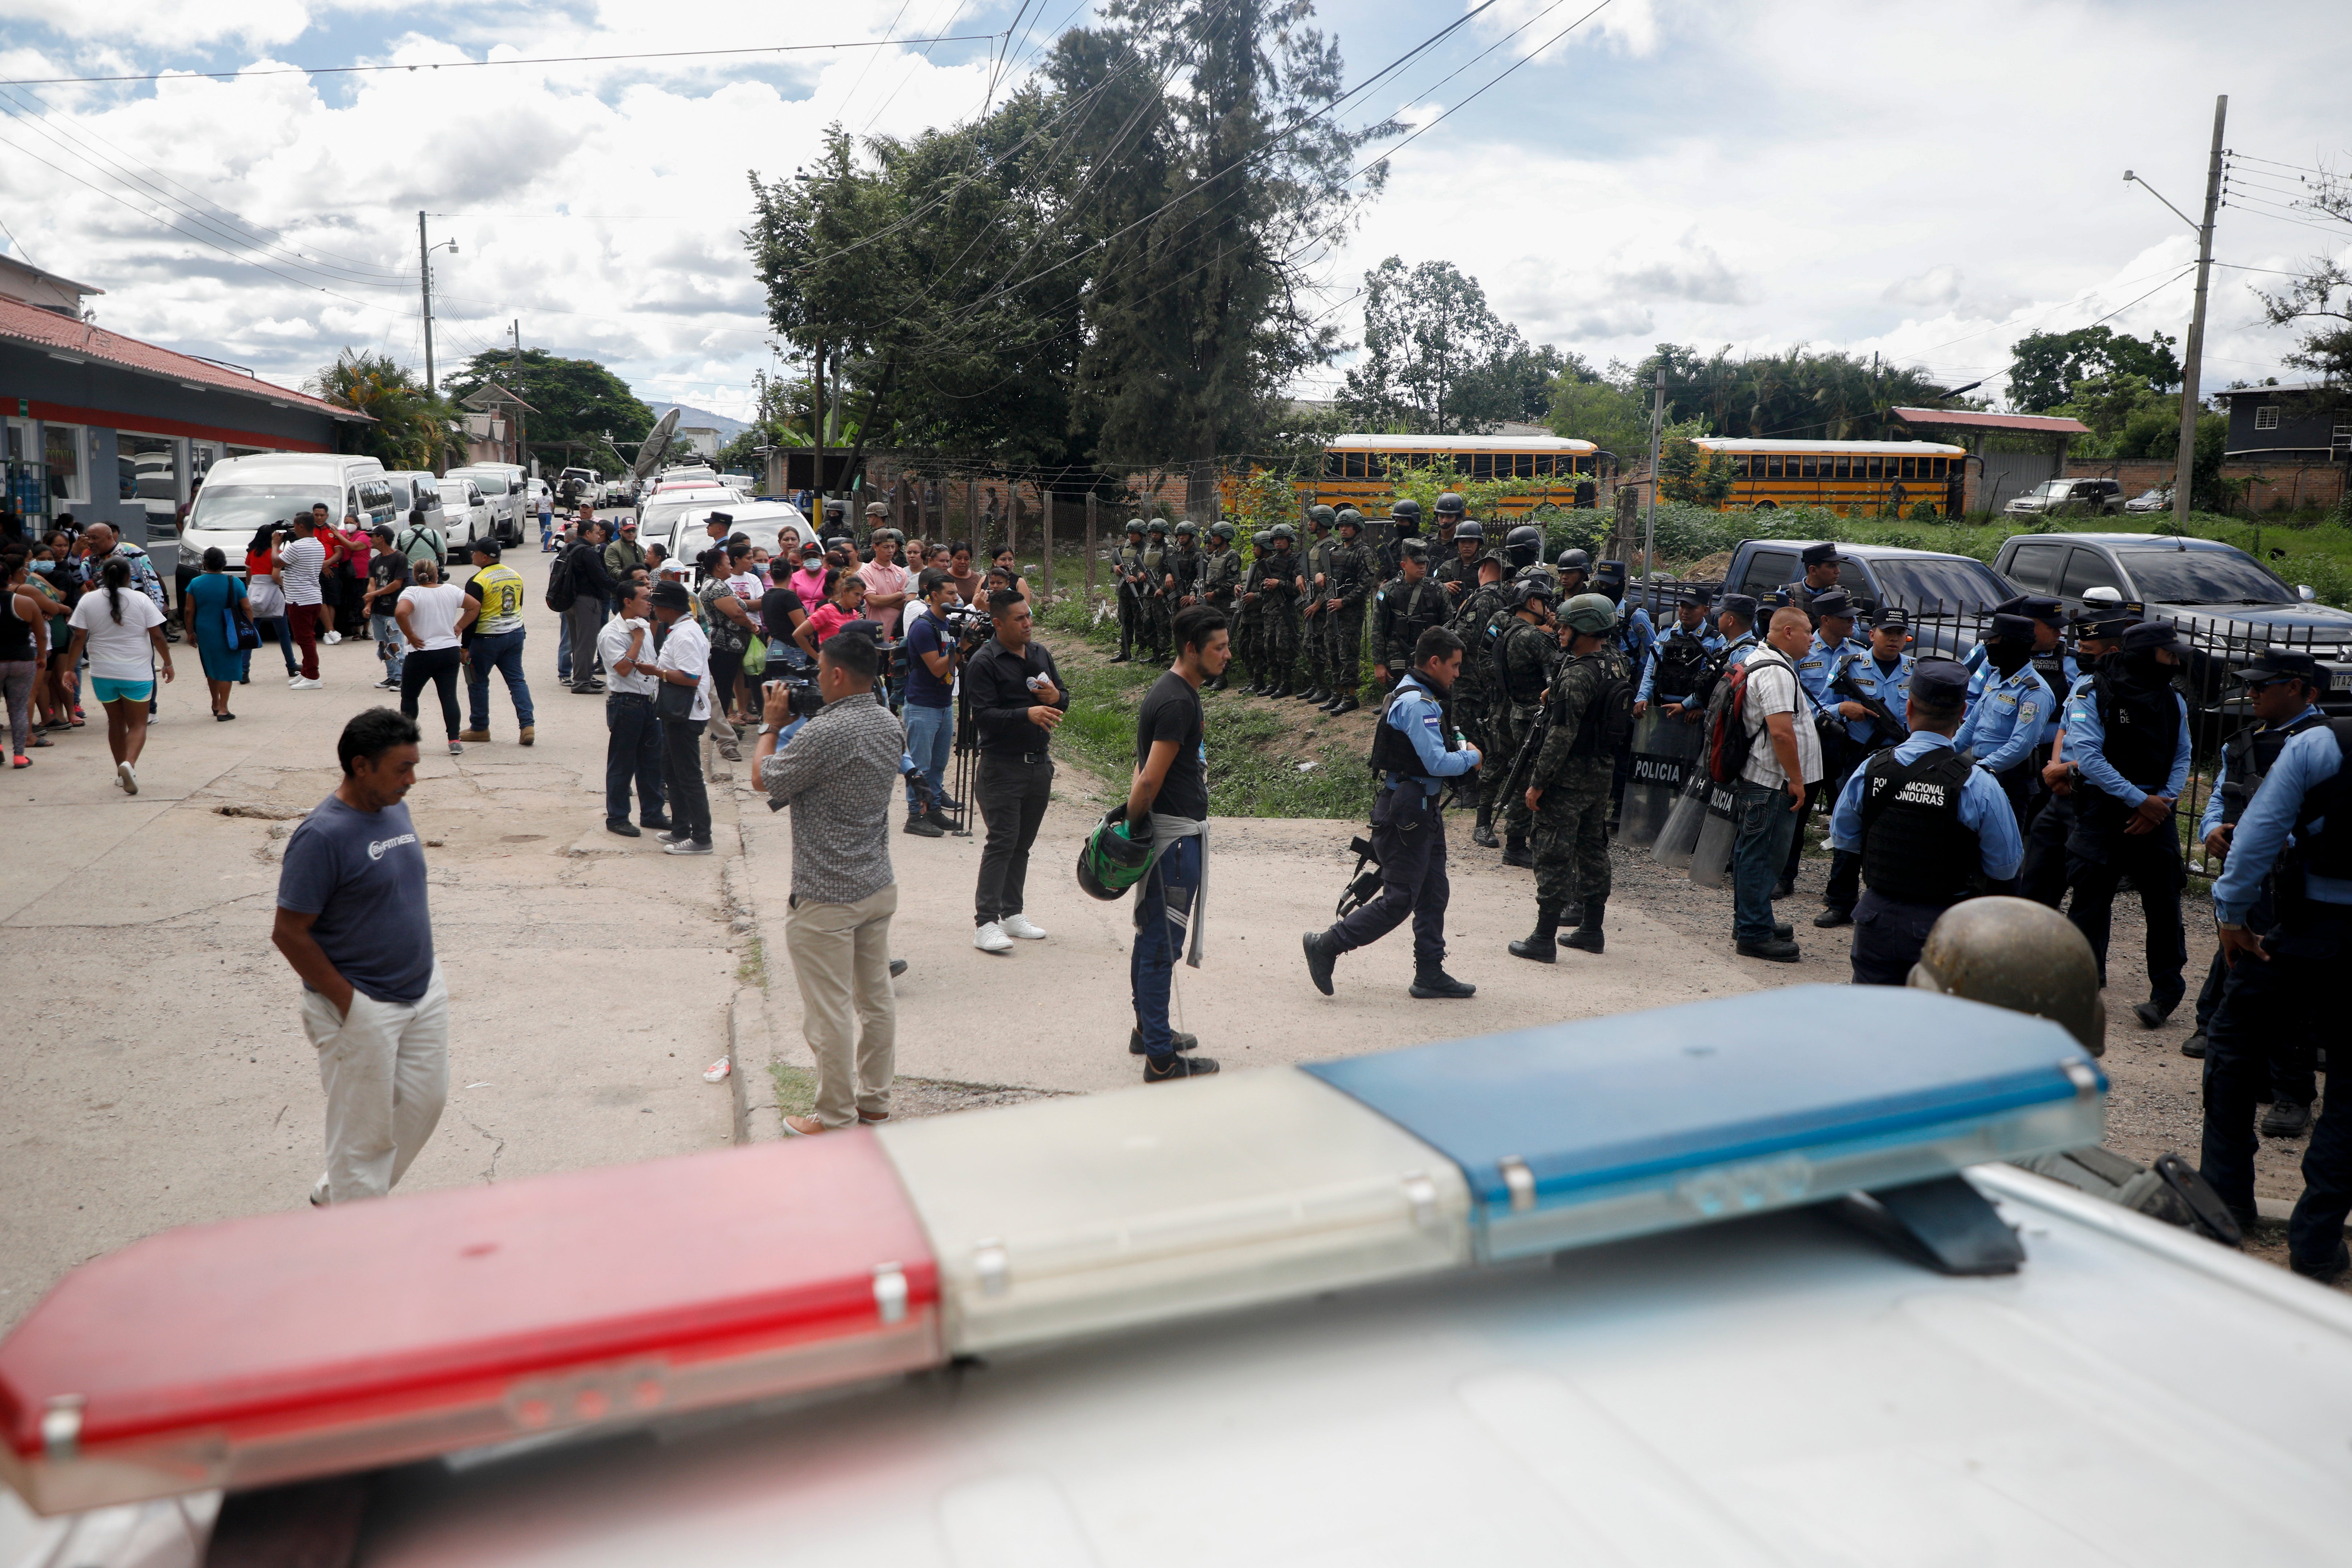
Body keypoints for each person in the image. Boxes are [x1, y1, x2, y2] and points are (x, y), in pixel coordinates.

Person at [2196, 710, 2352, 1278]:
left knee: (2233, 1049)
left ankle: (2223, 1202)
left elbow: (2258, 834)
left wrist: (2232, 916)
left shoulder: (2321, 743)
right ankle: (2315, 1242)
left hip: (2301, 935)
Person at [272, 708, 447, 1206]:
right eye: (401, 768)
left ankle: (344, 1192)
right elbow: (289, 931)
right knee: (363, 1135)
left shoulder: (394, 806)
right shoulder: (321, 836)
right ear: (361, 765)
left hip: (421, 989)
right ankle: (356, 1245)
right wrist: (351, 1003)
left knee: (423, 1104)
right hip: (363, 1006)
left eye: (414, 765)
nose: (412, 780)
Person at [757, 624, 907, 1134]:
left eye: (820, 670)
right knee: (876, 1000)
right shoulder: (891, 724)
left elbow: (765, 778)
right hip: (876, 883)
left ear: (839, 675)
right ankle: (874, 1103)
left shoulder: (825, 731)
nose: (816, 679)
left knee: (830, 1013)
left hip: (826, 894)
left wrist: (769, 726)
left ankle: (837, 1117)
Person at [2182, 649, 2327, 1126]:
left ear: (2298, 687)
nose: (2252, 692)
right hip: (2251, 881)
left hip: (2300, 884)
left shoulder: (2323, 744)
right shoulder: (2244, 741)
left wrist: (2262, 842)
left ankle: (2292, 1093)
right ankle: (2258, 1079)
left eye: (2263, 684)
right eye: (2250, 684)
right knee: (2246, 974)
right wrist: (2212, 832)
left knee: (2293, 992)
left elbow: (2322, 820)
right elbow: (2222, 796)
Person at [1302, 625, 1481, 1000]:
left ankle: (1429, 972)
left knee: (1433, 892)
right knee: (1400, 898)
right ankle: (1326, 944)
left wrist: (1460, 743)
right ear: (1434, 662)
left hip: (1421, 809)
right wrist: (1471, 757)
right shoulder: (1416, 704)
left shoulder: (1421, 696)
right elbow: (1435, 762)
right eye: (1454, 666)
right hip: (1407, 813)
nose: (1457, 674)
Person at [1823, 658, 2024, 984]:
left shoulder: (1870, 769)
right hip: (1946, 924)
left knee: (1869, 1023)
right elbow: (2004, 868)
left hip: (1876, 918)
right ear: (1962, 715)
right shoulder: (1978, 784)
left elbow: (1844, 837)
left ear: (1909, 707)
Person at [2061, 619, 2191, 1027]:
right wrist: (2139, 800)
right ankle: (2075, 989)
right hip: (2105, 811)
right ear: (2141, 654)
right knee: (2088, 904)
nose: (2173, 662)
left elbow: (2183, 755)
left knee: (2164, 907)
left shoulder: (2173, 700)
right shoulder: (2090, 691)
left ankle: (2165, 994)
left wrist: (2161, 804)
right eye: (2166, 654)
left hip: (2156, 814)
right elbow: (2089, 758)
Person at [1127, 604, 1230, 1081]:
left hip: (1175, 837)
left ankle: (1148, 1031)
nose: (1227, 655)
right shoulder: (1176, 702)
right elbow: (1148, 781)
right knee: (1159, 945)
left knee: (1151, 936)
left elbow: (1143, 771)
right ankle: (1161, 1059)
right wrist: (1129, 830)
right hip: (1173, 844)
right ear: (1192, 648)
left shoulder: (1177, 692)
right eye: (1219, 647)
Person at [1511, 593, 1629, 962]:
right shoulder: (1615, 663)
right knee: (1592, 847)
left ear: (1587, 628)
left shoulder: (1577, 674)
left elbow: (1560, 735)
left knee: (1551, 851)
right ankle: (1591, 930)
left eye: (1565, 626)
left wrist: (1537, 782)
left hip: (1567, 778)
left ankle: (1543, 937)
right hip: (1600, 774)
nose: (1559, 631)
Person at [966, 588, 1067, 953]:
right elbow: (985, 719)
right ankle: (985, 923)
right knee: (1002, 842)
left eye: (1028, 616)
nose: (1028, 623)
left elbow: (1063, 698)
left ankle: (1012, 913)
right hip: (1001, 768)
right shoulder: (984, 662)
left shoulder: (1039, 653)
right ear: (998, 624)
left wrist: (1056, 699)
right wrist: (1026, 713)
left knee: (1022, 845)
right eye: (1019, 619)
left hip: (1038, 765)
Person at [1730, 607, 1823, 963]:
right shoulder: (1775, 672)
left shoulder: (1767, 661)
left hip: (1763, 779)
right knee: (1762, 857)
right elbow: (1781, 732)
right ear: (1788, 632)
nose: (1811, 638)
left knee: (1752, 853)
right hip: (1770, 781)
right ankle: (1753, 933)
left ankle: (1752, 920)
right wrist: (1796, 780)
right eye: (1807, 632)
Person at [1814, 605, 1915, 927]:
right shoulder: (1850, 665)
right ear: (1872, 634)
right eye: (1888, 633)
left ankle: (1885, 903)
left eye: (1900, 634)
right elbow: (1820, 707)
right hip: (1857, 758)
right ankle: (1841, 901)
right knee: (1847, 828)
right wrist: (1844, 708)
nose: (1894, 640)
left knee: (1895, 831)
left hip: (1898, 759)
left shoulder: (1915, 671)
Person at [1781, 588, 1868, 898]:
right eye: (1845, 618)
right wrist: (1837, 710)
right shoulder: (1801, 652)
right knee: (1798, 812)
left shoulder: (1857, 653)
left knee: (1846, 816)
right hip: (1811, 739)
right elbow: (1794, 698)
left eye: (1852, 618)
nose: (1851, 623)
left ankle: (1839, 891)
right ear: (1826, 620)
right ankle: (1784, 876)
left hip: (1845, 745)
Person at [64, 557, 172, 795]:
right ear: (127, 577)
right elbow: (157, 635)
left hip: (102, 672)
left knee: (115, 722)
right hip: (136, 673)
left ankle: (120, 772)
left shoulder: (89, 600)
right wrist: (168, 662)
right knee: (138, 724)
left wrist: (70, 669)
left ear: (103, 576)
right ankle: (129, 764)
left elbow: (79, 638)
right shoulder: (141, 599)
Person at [1953, 612, 2055, 836]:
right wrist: (1942, 753)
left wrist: (1981, 769)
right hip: (1981, 770)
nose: (1988, 646)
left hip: (2009, 780)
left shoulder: (2034, 692)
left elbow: (2021, 746)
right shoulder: (1996, 676)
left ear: (2012, 645)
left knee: (2004, 847)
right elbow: (1971, 725)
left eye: (1993, 641)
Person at [1490, 578, 1557, 867]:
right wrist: (1556, 631)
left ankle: (1519, 840)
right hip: (1535, 717)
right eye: (1545, 603)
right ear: (1533, 603)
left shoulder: (1508, 632)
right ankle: (1517, 843)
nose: (1548, 610)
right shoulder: (1531, 636)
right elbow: (1562, 663)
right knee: (1529, 781)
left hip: (1519, 713)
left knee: (1521, 778)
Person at [597, 578, 669, 837]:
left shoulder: (645, 627)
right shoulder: (612, 633)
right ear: (627, 601)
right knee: (622, 764)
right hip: (626, 703)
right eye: (644, 598)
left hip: (650, 702)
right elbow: (624, 670)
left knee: (651, 763)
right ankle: (617, 817)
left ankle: (652, 813)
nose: (650, 602)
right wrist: (637, 639)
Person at [649, 579, 715, 855]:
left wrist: (656, 672)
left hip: (687, 713)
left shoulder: (685, 635)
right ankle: (681, 829)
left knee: (688, 774)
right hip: (676, 712)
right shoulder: (680, 629)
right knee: (672, 770)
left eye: (656, 604)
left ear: (667, 607)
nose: (653, 609)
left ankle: (702, 838)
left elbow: (690, 678)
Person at [394, 559, 476, 757]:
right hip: (448, 651)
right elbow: (475, 606)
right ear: (437, 574)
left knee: (410, 696)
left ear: (415, 576)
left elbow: (401, 613)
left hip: (421, 653)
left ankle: (408, 741)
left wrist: (411, 636)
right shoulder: (451, 591)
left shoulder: (412, 593)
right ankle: (454, 740)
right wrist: (459, 627)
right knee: (448, 697)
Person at [456, 537, 534, 747]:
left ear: (483, 557)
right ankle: (528, 726)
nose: (472, 555)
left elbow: (472, 616)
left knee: (477, 681)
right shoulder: (515, 575)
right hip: (515, 634)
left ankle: (480, 727)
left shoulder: (478, 581)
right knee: (517, 681)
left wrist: (464, 647)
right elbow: (519, 604)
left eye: (475, 553)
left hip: (486, 639)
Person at [901, 568, 958, 837]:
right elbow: (937, 668)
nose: (956, 597)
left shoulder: (947, 624)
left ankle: (933, 809)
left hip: (944, 703)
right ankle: (915, 815)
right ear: (934, 596)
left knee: (938, 764)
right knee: (920, 766)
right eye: (951, 593)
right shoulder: (924, 627)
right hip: (923, 704)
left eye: (957, 592)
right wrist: (963, 647)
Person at [180, 547, 251, 722]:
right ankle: (224, 710)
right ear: (224, 563)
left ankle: (215, 704)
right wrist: (248, 627)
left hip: (205, 630)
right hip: (229, 630)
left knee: (211, 667)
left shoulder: (196, 583)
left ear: (205, 563)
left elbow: (189, 610)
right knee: (226, 668)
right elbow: (247, 607)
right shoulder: (234, 582)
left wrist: (190, 632)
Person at [1373, 540, 1447, 699]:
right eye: (1417, 563)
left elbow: (1447, 629)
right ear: (1404, 565)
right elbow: (1377, 629)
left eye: (1424, 563)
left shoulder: (1439, 590)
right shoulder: (1389, 590)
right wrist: (1379, 664)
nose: (1422, 567)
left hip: (1429, 657)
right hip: (1396, 658)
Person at [1320, 509, 1375, 714]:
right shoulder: (1333, 551)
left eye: (1348, 526)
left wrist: (1345, 601)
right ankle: (1338, 693)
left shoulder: (1363, 552)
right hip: (1332, 608)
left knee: (1348, 655)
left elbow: (1367, 583)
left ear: (1357, 528)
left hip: (1350, 611)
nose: (1344, 529)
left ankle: (1351, 696)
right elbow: (1327, 575)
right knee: (1333, 651)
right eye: (1341, 526)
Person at [3, 553, 50, 766]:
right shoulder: (25, 602)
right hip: (22, 660)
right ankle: (20, 756)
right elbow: (41, 634)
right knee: (19, 708)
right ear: (9, 579)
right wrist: (41, 656)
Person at [1246, 524, 1303, 697]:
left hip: (1286, 610)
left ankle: (1286, 684)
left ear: (1289, 541)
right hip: (1269, 610)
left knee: (1284, 648)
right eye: (1276, 540)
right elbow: (1262, 587)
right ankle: (1274, 682)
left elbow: (1298, 588)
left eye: (1282, 539)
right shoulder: (1268, 563)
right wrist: (1267, 586)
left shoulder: (1297, 561)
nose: (1278, 543)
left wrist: (1280, 584)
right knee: (1269, 647)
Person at [564, 520, 615, 695]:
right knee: (586, 644)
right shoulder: (588, 553)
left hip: (570, 601)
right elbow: (602, 578)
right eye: (596, 533)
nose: (599, 536)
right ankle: (581, 682)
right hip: (587, 602)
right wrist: (624, 588)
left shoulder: (569, 548)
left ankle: (583, 676)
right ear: (588, 534)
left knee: (578, 642)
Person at [243, 524, 298, 682]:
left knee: (252, 633)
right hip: (272, 594)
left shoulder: (252, 553)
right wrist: (284, 586)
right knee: (283, 634)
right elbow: (275, 576)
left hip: (254, 592)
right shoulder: (277, 554)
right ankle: (292, 666)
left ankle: (244, 670)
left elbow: (249, 577)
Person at [362, 527, 412, 692]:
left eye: (373, 537)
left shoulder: (400, 558)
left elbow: (397, 584)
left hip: (394, 609)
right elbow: (372, 584)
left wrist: (375, 593)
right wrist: (369, 605)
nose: (370, 540)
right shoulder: (374, 561)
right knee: (384, 644)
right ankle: (392, 675)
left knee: (396, 643)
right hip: (378, 610)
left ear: (381, 538)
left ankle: (402, 678)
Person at [280, 514, 328, 686]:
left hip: (299, 599)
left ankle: (313, 677)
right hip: (314, 597)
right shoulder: (319, 545)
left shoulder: (297, 546)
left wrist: (274, 545)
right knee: (309, 636)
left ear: (301, 526)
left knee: (304, 639)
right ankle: (307, 671)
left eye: (295, 526)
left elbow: (276, 563)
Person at [1196, 522, 1243, 690]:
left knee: (1222, 641)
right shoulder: (1214, 555)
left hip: (1224, 605)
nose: (1212, 539)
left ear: (1224, 537)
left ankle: (1222, 678)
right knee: (1210, 640)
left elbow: (1233, 581)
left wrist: (1215, 594)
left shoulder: (1232, 555)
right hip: (1211, 604)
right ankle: (1212, 674)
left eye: (1216, 536)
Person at [795, 569, 867, 656]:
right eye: (856, 594)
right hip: (830, 665)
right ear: (845, 591)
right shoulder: (827, 611)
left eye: (861, 595)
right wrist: (818, 658)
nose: (860, 599)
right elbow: (798, 634)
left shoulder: (855, 613)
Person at [859, 529, 913, 637]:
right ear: (875, 547)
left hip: (898, 633)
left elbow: (905, 603)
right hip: (876, 633)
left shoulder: (901, 572)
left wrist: (880, 600)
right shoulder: (866, 572)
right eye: (886, 547)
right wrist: (898, 595)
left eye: (893, 547)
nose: (891, 551)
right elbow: (873, 601)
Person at [1112, 519, 1149, 664]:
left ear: (1141, 534)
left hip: (1138, 592)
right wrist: (1115, 568)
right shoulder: (1123, 547)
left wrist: (1138, 579)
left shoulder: (1147, 549)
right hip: (1124, 591)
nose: (1131, 536)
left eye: (1134, 533)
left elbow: (1149, 570)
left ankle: (1141, 650)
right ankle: (1125, 651)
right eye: (1129, 533)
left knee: (1139, 621)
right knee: (1124, 621)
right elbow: (1113, 564)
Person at [1778, 541, 1843, 622]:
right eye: (1831, 566)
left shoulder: (1841, 595)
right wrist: (1778, 612)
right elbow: (1762, 630)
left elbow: (1855, 631)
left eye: (1838, 565)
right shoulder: (1787, 593)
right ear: (1813, 570)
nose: (1838, 571)